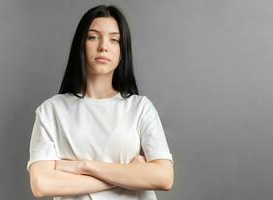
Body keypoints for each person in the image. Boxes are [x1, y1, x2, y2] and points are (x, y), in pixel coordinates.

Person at [27, 4, 174, 200]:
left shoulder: (140, 108)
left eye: (114, 40)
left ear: (122, 51)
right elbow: (42, 184)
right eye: (93, 37)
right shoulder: (52, 110)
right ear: (81, 44)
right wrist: (130, 174)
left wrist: (83, 166)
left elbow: (164, 178)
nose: (103, 46)